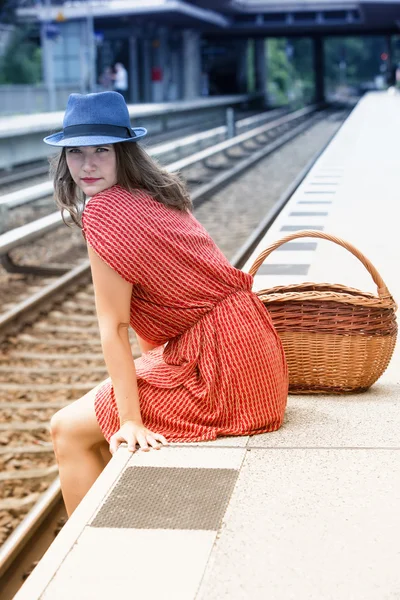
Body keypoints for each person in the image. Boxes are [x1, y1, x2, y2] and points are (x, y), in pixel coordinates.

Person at [43, 91, 288, 516]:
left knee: (65, 429)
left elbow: (115, 327)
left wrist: (132, 421)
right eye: (75, 152)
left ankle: (94, 560)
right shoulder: (157, 194)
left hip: (221, 375)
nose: (86, 165)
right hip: (252, 359)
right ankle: (119, 519)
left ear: (123, 152)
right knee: (108, 409)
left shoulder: (104, 212)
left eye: (101, 150)